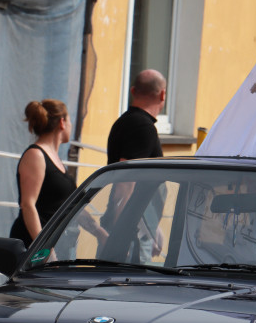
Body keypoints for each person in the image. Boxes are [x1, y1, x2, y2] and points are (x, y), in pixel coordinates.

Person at [10, 99, 104, 245]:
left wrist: (101, 234)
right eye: (70, 121)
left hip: (56, 245)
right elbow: (28, 205)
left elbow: (73, 207)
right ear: (62, 122)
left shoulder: (56, 160)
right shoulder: (36, 155)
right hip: (32, 246)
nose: (71, 126)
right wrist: (43, 249)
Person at [102, 69, 167, 260]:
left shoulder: (124, 122)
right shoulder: (142, 127)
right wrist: (119, 234)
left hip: (134, 225)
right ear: (163, 94)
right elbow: (126, 181)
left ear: (132, 91)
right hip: (131, 233)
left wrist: (154, 227)